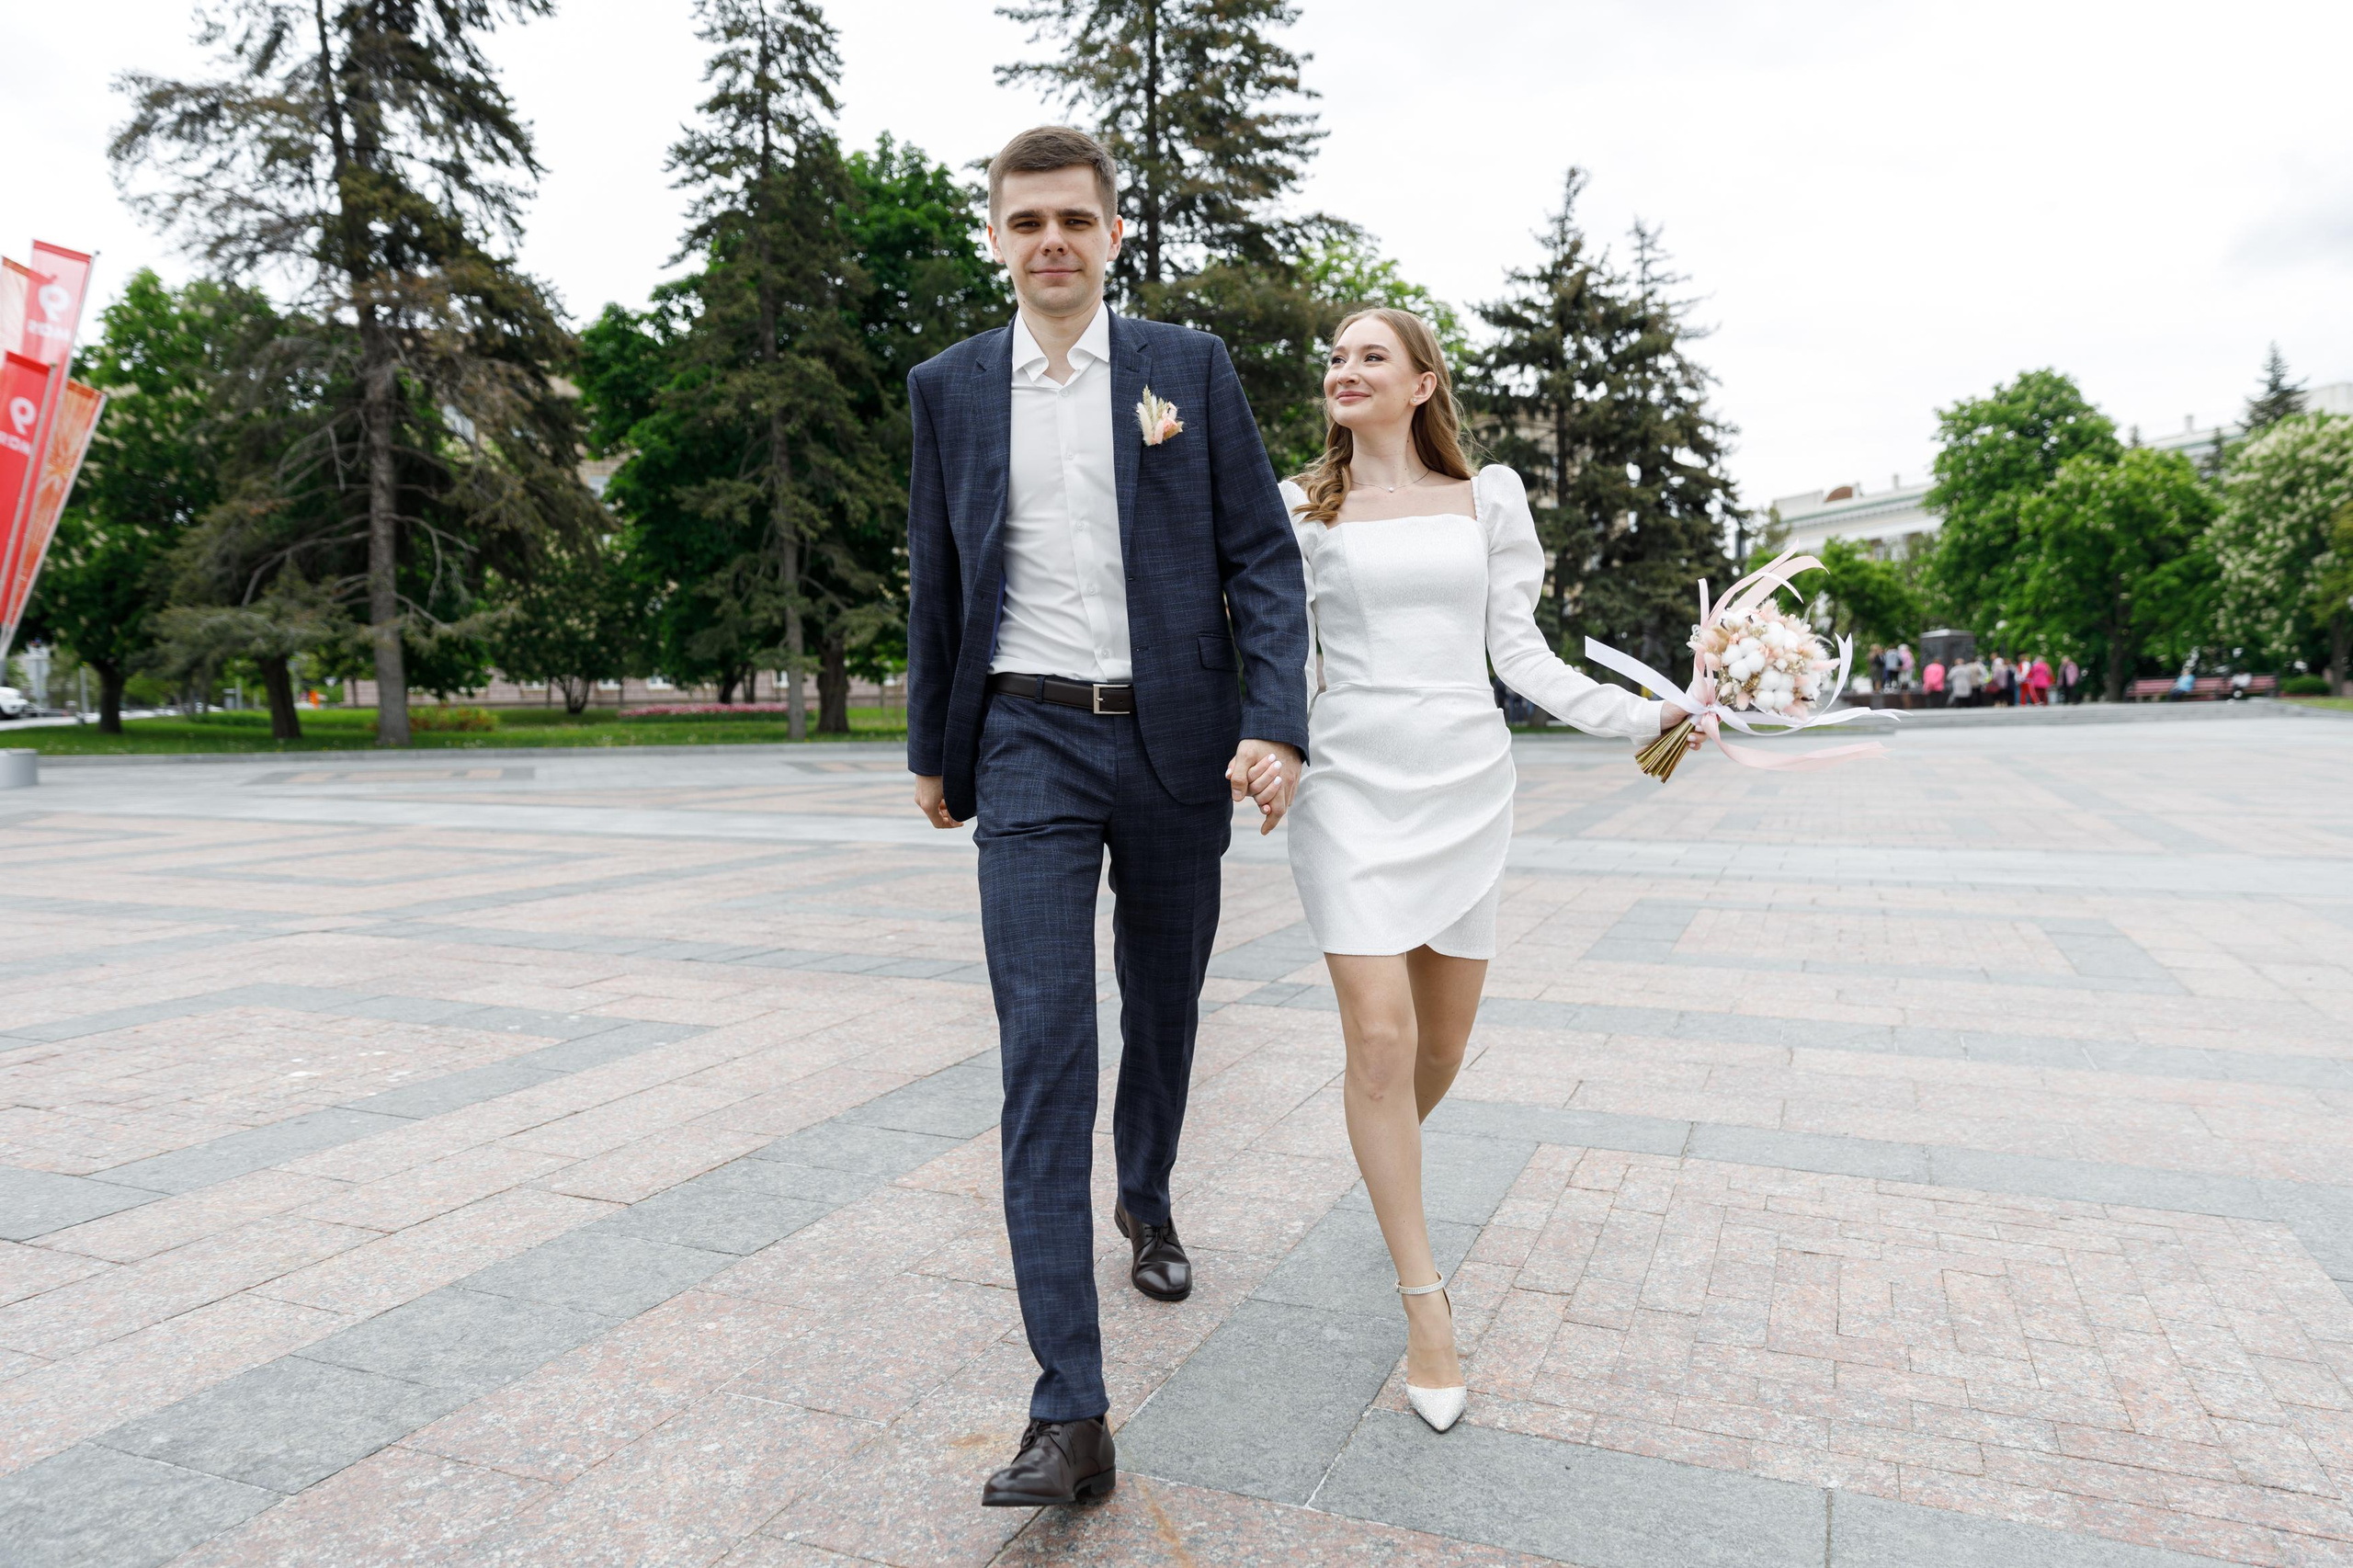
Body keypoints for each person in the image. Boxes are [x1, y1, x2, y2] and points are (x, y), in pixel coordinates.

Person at [903, 126, 1310, 1507]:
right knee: (1043, 1046)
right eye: (1027, 223)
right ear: (1000, 237)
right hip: (1024, 738)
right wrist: (930, 748)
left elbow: (1260, 553)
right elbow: (938, 578)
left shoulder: (1185, 370)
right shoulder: (949, 389)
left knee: (1166, 997)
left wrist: (1274, 718)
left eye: (1074, 219)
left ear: (1114, 234)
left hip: (1177, 736)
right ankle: (1069, 1408)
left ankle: (1146, 1191)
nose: (1052, 243)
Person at [1259, 308, 1693, 1435]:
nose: (1343, 371)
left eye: (1369, 356)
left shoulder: (1486, 497)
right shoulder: (1300, 505)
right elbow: (1276, 655)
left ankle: (1380, 1154)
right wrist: (1267, 747)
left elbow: (1520, 656)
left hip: (1463, 782)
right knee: (1382, 1040)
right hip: (1349, 783)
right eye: (1335, 357)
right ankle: (1425, 1303)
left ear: (1421, 383)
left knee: (1439, 1048)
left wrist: (1647, 718)